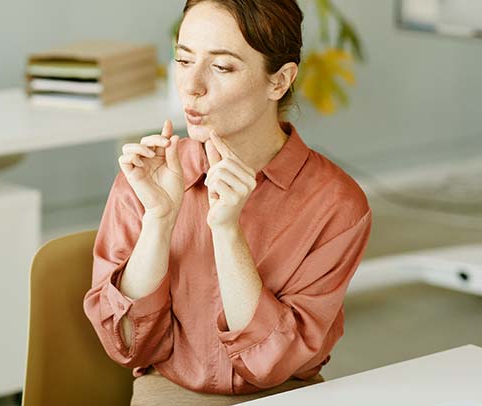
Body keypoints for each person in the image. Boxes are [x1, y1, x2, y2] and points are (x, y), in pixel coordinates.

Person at [83, 1, 373, 404]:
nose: (191, 86)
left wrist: (227, 230)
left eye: (221, 67)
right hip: (170, 391)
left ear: (279, 81)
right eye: (183, 60)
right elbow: (129, 345)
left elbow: (271, 365)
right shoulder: (143, 179)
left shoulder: (336, 205)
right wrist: (159, 220)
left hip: (286, 394)